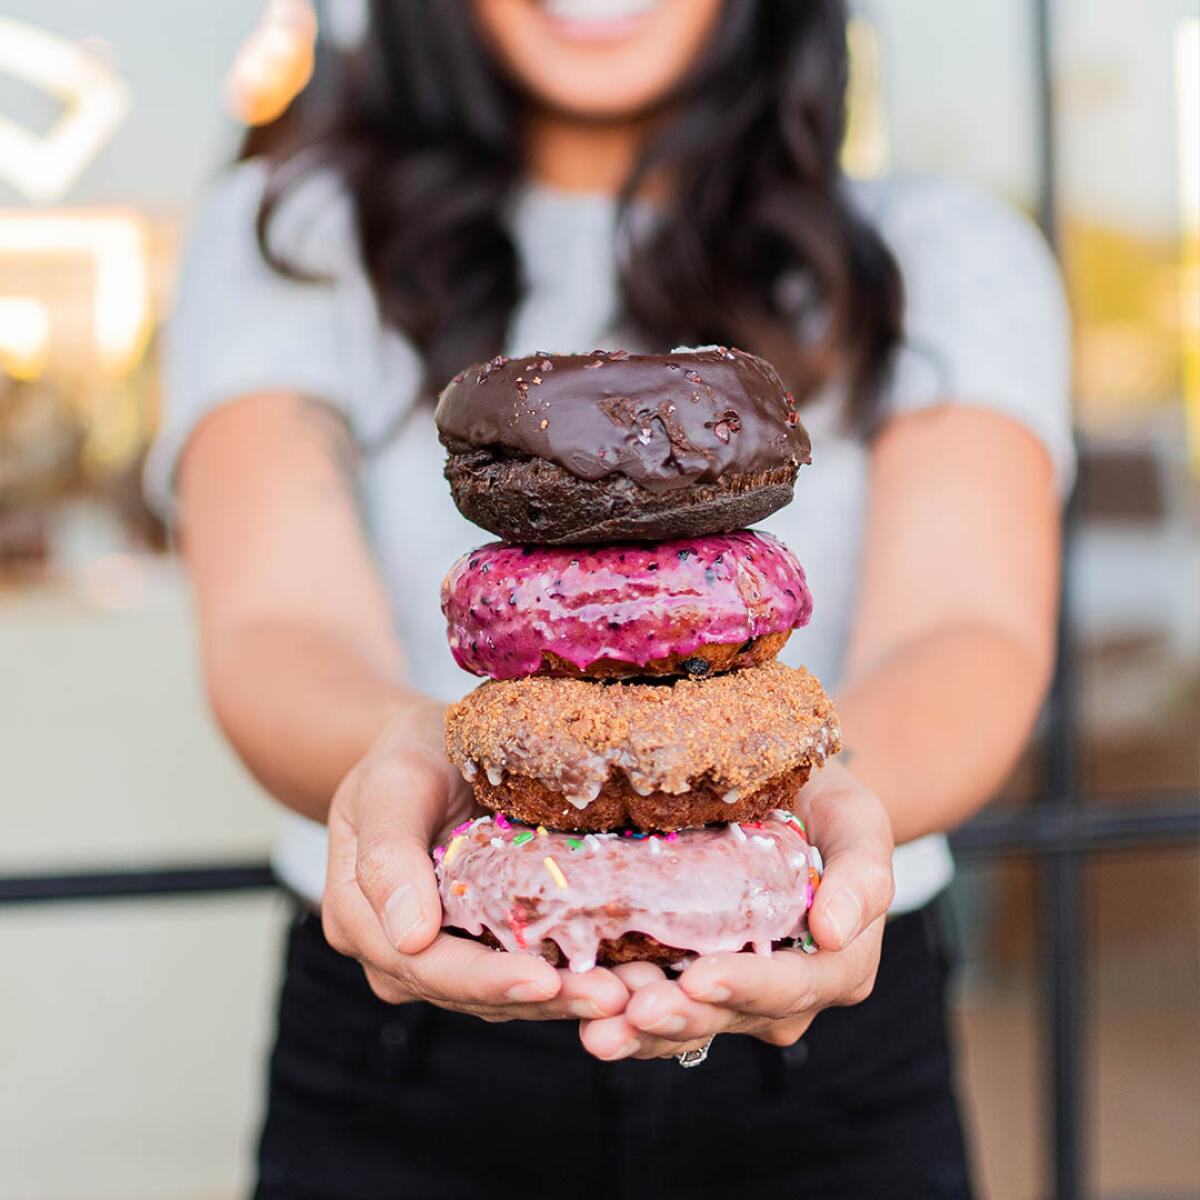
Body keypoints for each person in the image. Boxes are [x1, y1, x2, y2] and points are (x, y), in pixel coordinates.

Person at [147, 2, 1072, 1196]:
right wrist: (410, 755)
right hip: (405, 1039)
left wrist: (810, 800)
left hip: (830, 1029)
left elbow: (968, 632)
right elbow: (279, 625)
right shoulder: (292, 235)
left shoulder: (943, 247)